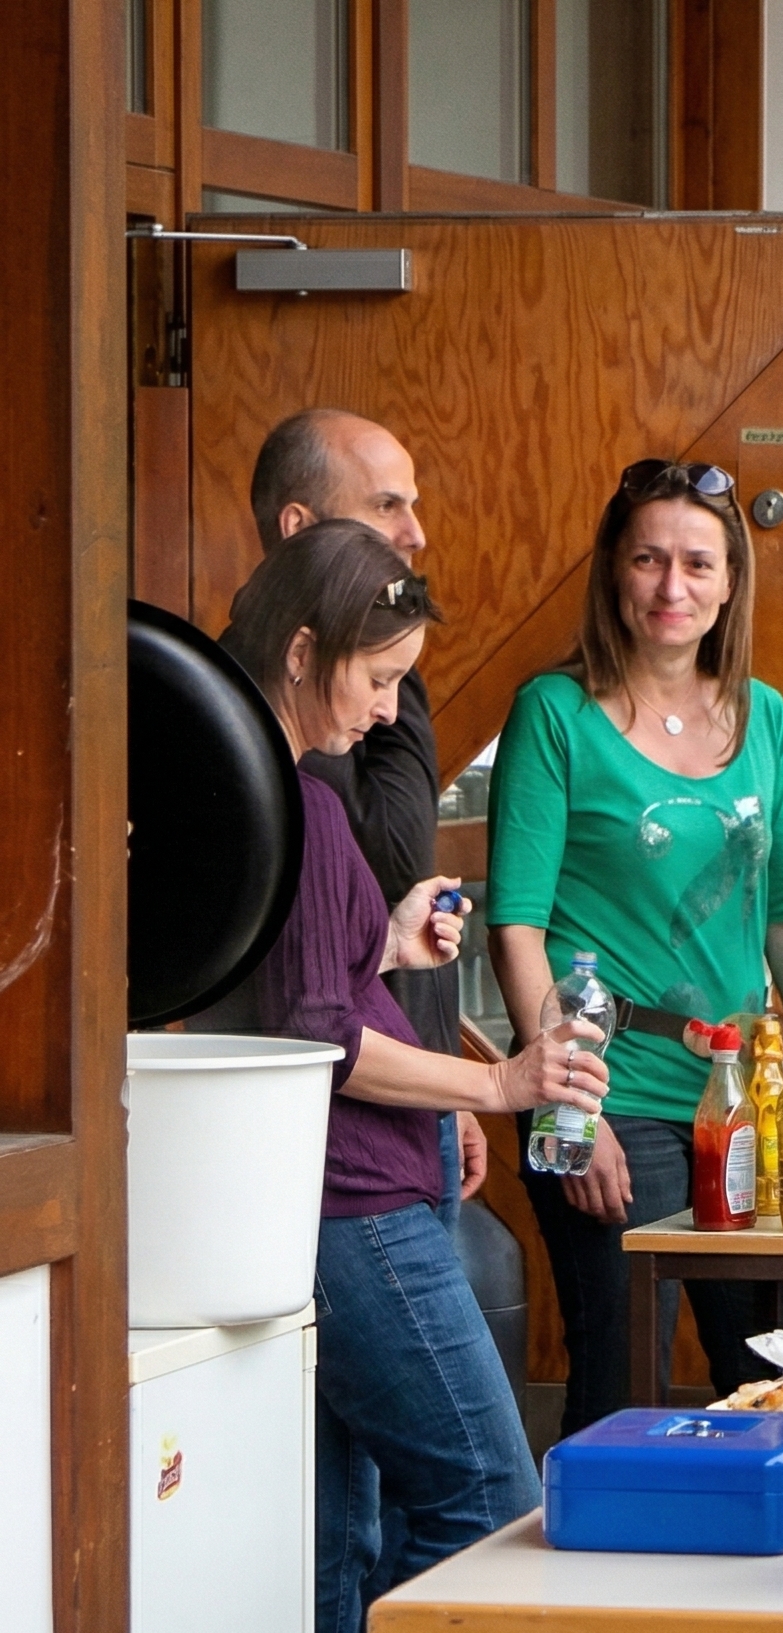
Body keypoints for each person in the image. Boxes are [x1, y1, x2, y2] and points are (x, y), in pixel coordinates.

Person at [208, 520, 595, 1633]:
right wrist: (503, 1085)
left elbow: (288, 993)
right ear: (301, 650)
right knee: (491, 1505)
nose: (386, 710)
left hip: (315, 1203)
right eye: (378, 679)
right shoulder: (310, 806)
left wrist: (381, 946)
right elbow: (320, 1037)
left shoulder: (267, 793)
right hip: (361, 1207)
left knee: (336, 1533)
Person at [483, 457, 783, 1435]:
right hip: (612, 1090)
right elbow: (515, 921)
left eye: (696, 562)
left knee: (775, 1376)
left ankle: (767, 1575)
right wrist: (565, 1100)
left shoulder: (762, 713)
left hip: (749, 1097)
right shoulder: (554, 714)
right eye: (648, 560)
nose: (671, 587)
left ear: (730, 580)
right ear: (613, 571)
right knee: (619, 1375)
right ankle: (596, 1582)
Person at [250, 408, 482, 1231]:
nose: (414, 535)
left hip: (405, 1084)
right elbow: (388, 850)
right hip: (342, 1152)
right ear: (299, 529)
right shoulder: (273, 734)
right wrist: (491, 1083)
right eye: (386, 507)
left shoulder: (345, 692)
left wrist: (442, 1067)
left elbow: (335, 938)